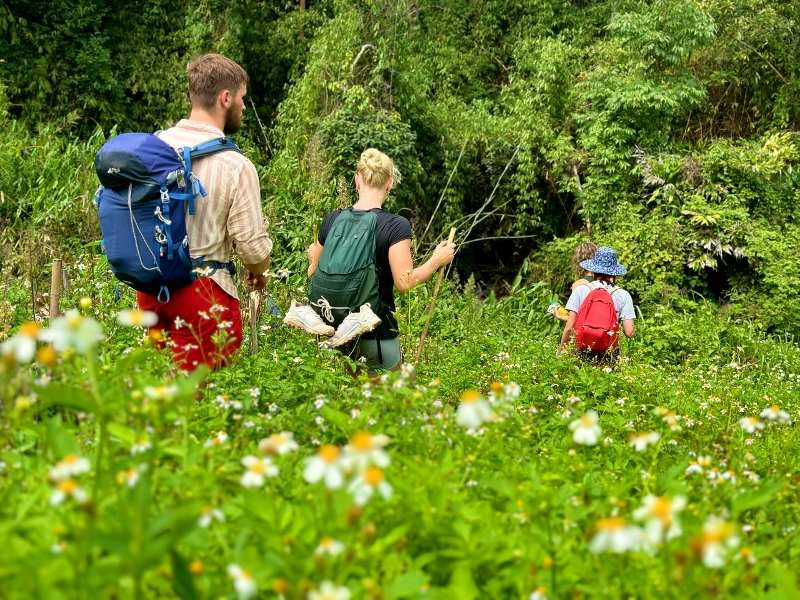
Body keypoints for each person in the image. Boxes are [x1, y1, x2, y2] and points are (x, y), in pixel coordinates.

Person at [138, 53, 272, 371]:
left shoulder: (152, 148)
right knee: (206, 404)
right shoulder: (236, 165)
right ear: (225, 98)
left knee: (160, 394)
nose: (242, 106)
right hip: (205, 294)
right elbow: (252, 249)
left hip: (153, 293)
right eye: (241, 98)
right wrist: (258, 269)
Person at [284, 148, 455, 372]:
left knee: (346, 402)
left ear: (357, 179)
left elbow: (312, 274)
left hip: (335, 332)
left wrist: (311, 259)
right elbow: (405, 282)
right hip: (376, 336)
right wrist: (436, 260)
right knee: (392, 401)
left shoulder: (333, 220)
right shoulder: (395, 226)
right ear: (390, 183)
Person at [558, 246, 635, 359]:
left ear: (593, 269)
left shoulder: (581, 290)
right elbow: (629, 332)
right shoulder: (623, 295)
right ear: (615, 272)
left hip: (581, 350)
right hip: (608, 354)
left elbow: (570, 327)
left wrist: (560, 352)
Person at [550, 241, 597, 322]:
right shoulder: (604, 282)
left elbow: (575, 319)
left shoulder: (578, 285)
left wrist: (559, 315)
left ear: (578, 260)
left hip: (585, 331)